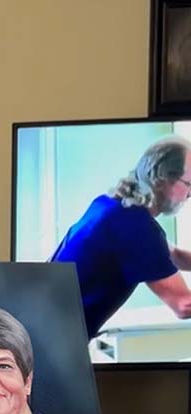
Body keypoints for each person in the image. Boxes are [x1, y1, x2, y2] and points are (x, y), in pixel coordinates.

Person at [51, 136, 191, 339]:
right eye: (188, 184)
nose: (190, 194)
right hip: (51, 342)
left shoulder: (113, 205)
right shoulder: (136, 227)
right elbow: (183, 305)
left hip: (38, 328)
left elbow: (174, 255)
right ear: (162, 179)